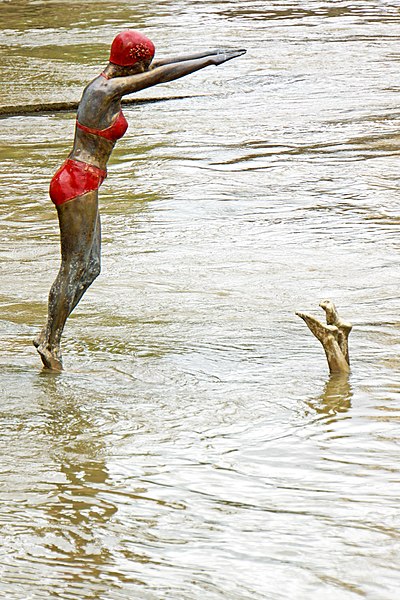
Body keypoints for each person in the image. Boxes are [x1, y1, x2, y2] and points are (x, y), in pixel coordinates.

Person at [34, 30, 246, 370]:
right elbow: (158, 76)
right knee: (73, 266)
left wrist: (212, 50)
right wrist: (207, 62)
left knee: (91, 268)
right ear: (132, 64)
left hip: (87, 181)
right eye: (142, 64)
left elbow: (158, 66)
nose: (146, 68)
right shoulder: (104, 90)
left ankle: (50, 332)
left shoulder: (115, 79)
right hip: (76, 183)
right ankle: (51, 342)